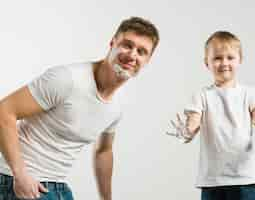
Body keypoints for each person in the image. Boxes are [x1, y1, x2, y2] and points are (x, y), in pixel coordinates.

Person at [0, 16, 159, 200]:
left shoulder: (117, 105)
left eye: (141, 51)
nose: (132, 55)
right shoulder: (68, 79)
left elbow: (104, 151)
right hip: (17, 181)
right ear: (112, 43)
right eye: (127, 45)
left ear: (147, 60)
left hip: (56, 186)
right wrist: (20, 174)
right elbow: (5, 111)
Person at [167, 31, 255, 200]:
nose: (224, 62)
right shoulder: (201, 96)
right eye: (217, 58)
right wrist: (185, 133)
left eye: (230, 57)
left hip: (245, 180)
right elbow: (192, 126)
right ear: (206, 63)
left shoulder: (250, 94)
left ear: (240, 60)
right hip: (212, 183)